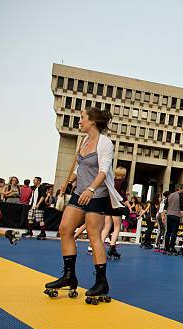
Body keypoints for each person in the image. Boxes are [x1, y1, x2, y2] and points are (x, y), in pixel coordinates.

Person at [44, 107, 123, 304]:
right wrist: (68, 181)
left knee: (94, 235)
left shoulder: (105, 143)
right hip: (80, 192)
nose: (79, 121)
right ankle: (69, 276)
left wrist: (91, 190)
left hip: (97, 194)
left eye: (82, 118)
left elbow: (103, 171)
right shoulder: (83, 141)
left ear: (92, 122)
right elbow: (80, 168)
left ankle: (101, 282)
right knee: (65, 228)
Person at [100, 166, 131, 258]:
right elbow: (122, 194)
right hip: (116, 205)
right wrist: (128, 205)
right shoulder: (124, 182)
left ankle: (99, 247)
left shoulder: (111, 180)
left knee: (106, 227)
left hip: (108, 205)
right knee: (117, 227)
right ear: (123, 174)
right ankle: (112, 247)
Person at [164, 184, 183, 255]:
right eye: (182, 189)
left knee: (168, 232)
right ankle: (171, 247)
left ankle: (166, 247)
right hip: (176, 215)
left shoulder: (170, 195)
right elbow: (182, 208)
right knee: (174, 232)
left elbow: (165, 206)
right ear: (179, 189)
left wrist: (164, 216)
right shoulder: (180, 196)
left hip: (169, 215)